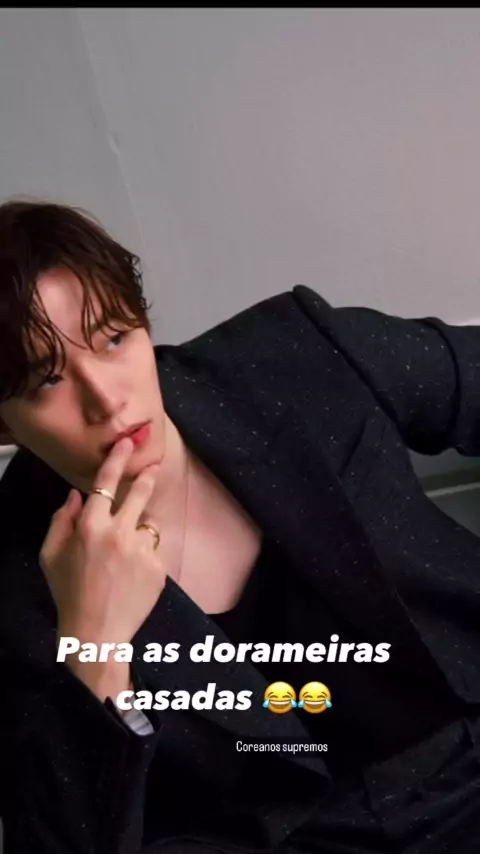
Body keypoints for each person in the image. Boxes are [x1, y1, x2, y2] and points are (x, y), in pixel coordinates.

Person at [0, 200, 480, 854]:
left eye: (113, 338)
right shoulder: (14, 585)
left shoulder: (293, 357)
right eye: (47, 380)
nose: (107, 399)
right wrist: (93, 648)